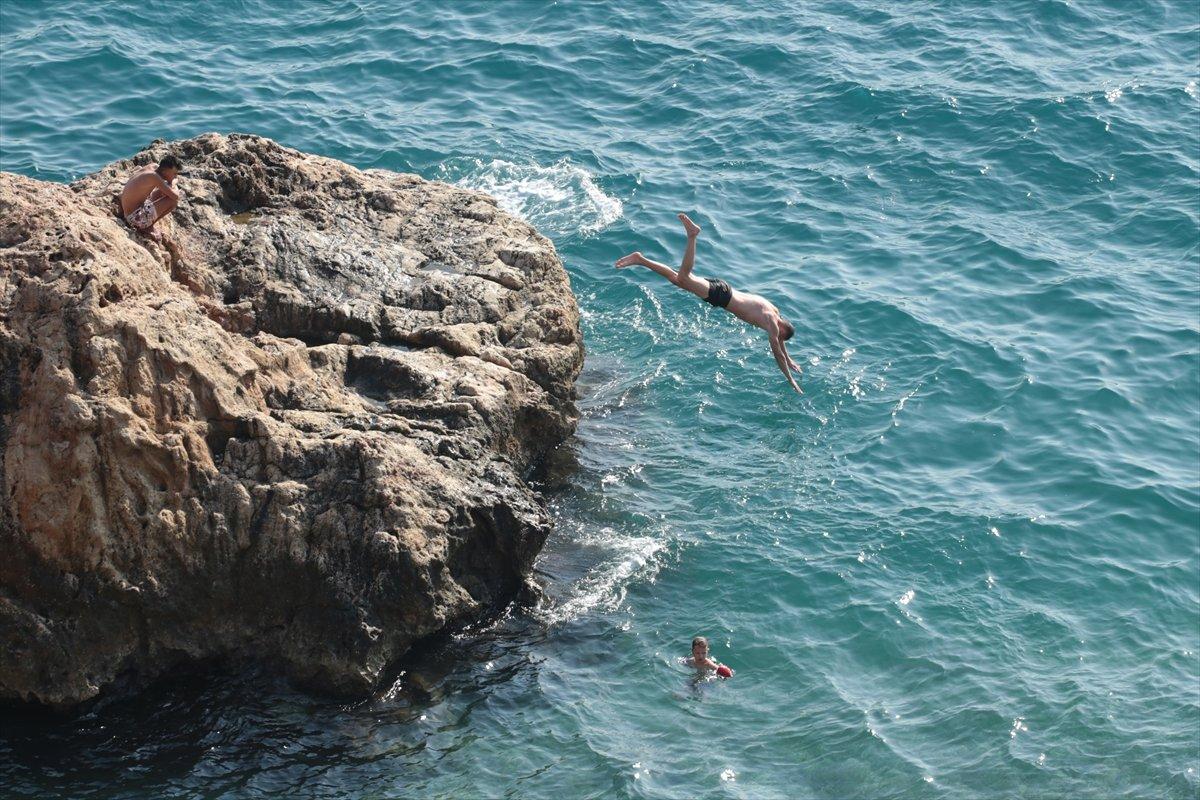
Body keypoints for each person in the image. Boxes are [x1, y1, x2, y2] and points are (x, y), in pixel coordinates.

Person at [615, 213, 803, 393]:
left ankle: (640, 259)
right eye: (779, 334)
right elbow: (776, 352)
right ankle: (692, 235)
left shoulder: (774, 312)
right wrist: (790, 378)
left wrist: (790, 358)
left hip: (724, 289)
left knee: (677, 280)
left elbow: (779, 342)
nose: (776, 336)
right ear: (781, 328)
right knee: (684, 277)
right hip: (721, 297)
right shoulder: (772, 322)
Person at [119, 155, 183, 239]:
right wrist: (173, 183)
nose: (176, 176)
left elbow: (165, 188)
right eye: (174, 173)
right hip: (134, 218)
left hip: (130, 211)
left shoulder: (153, 166)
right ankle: (147, 227)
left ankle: (147, 222)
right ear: (165, 171)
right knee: (172, 201)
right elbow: (175, 197)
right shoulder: (153, 176)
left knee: (162, 191)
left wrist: (171, 182)